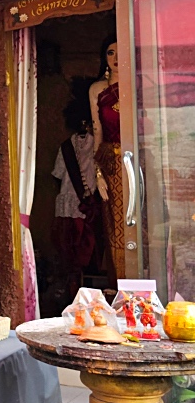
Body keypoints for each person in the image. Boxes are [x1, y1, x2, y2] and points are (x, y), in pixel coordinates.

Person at [53, 89, 104, 301]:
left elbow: (57, 174)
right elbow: (58, 175)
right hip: (71, 206)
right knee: (70, 248)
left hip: (91, 206)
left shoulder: (99, 145)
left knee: (89, 248)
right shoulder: (66, 147)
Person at [88, 35, 124, 281]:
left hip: (138, 160)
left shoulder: (139, 83)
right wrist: (98, 174)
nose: (116, 58)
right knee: (114, 224)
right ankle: (119, 282)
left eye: (121, 52)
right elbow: (98, 131)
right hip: (110, 162)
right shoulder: (97, 90)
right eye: (111, 53)